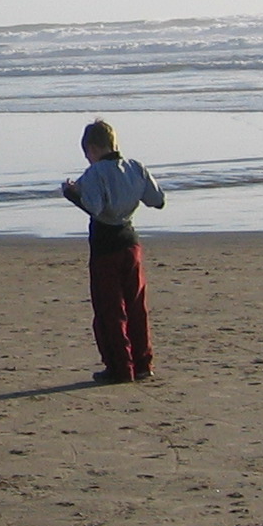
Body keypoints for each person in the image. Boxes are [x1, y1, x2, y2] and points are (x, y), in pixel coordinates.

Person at [61, 118, 165, 383]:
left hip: (106, 244)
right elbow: (157, 200)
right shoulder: (135, 167)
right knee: (136, 306)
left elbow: (94, 207)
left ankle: (121, 367)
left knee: (110, 310)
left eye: (87, 154)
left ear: (93, 149)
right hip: (130, 241)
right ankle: (143, 362)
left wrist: (72, 193)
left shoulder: (95, 174)